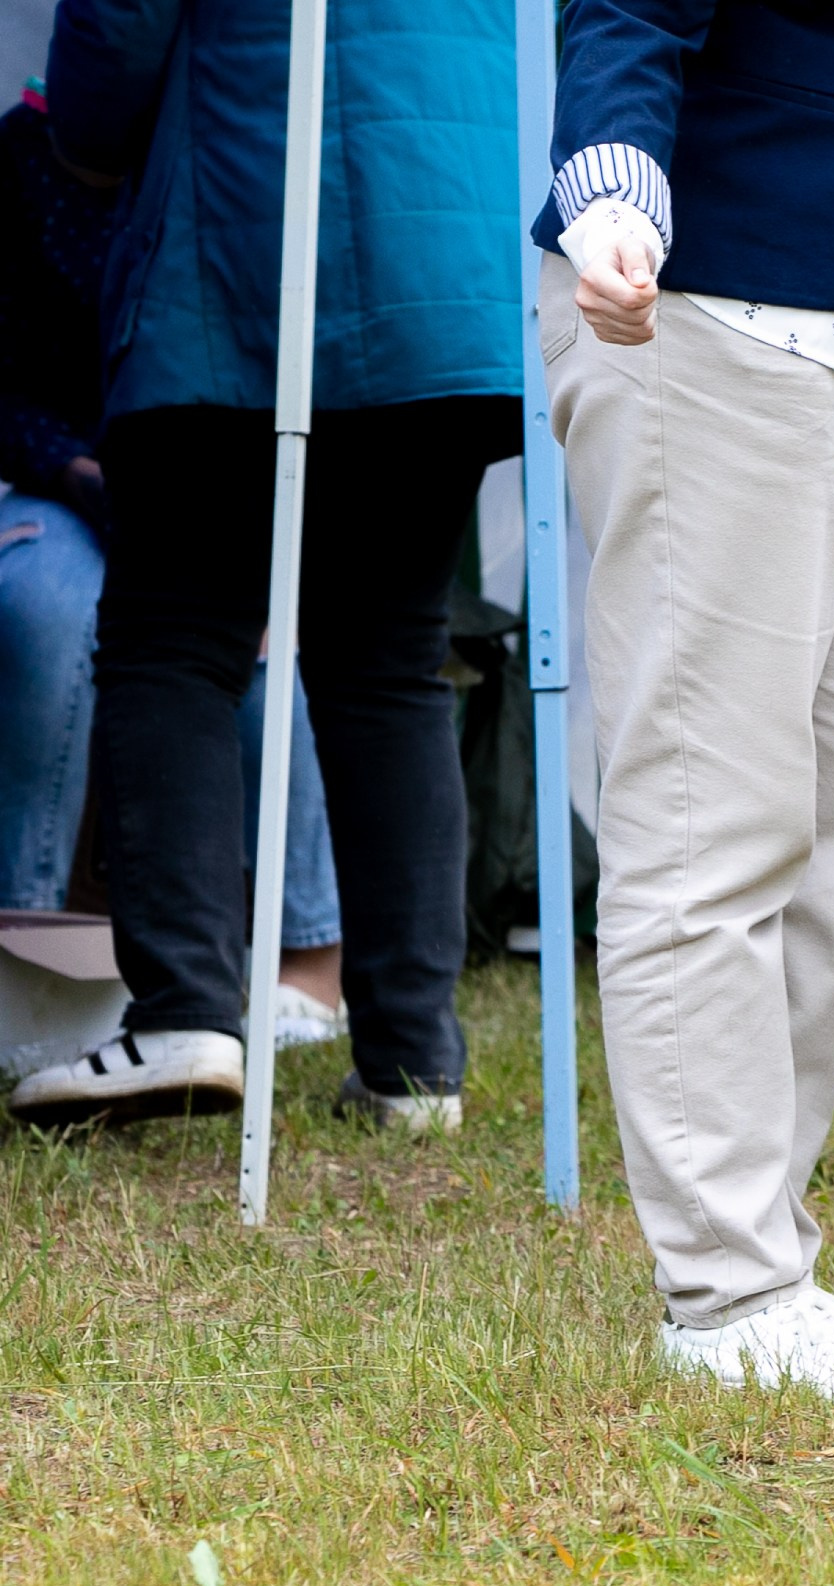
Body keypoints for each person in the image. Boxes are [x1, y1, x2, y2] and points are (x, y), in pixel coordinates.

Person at [537, 0, 834, 1399]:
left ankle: (763, 1263)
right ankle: (727, 1296)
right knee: (709, 816)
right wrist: (610, 182)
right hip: (722, 295)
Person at [6, 0, 520, 1129]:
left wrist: (85, 148)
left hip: (242, 225)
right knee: (390, 657)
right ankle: (412, 1060)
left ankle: (186, 1010)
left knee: (171, 635)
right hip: (448, 242)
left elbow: (114, 34)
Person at [0, 82, 346, 1055]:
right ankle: (26, 943)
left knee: (273, 638)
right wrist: (78, 472)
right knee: (45, 607)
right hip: (63, 470)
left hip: (209, 474)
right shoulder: (20, 157)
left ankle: (307, 960)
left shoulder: (235, 141)